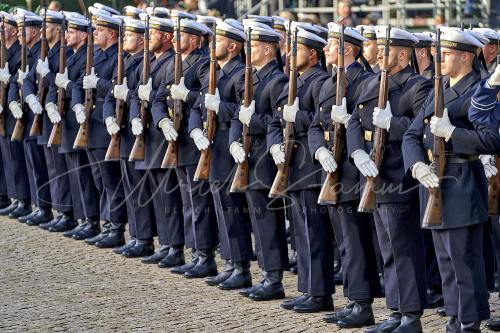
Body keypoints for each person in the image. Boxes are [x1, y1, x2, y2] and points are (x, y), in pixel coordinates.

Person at [403, 26, 498, 333]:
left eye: (445, 54)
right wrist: (417, 165)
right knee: (445, 258)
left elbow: (492, 139)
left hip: (461, 180)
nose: (439, 59)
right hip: (432, 180)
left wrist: (453, 133)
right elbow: (412, 134)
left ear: (465, 57)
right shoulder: (438, 86)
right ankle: (455, 316)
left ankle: (470, 321)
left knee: (464, 259)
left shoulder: (480, 90)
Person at [346, 26, 432, 332]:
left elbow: (420, 127)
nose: (380, 54)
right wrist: (357, 152)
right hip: (372, 173)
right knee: (387, 247)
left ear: (404, 53)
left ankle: (411, 316)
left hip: (398, 174)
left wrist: (392, 124)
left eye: (387, 49)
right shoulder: (371, 82)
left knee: (404, 248)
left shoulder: (417, 85)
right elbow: (354, 120)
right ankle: (395, 311)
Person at [308, 23, 381, 327]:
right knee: (344, 241)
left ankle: (363, 303)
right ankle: (352, 299)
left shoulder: (364, 81)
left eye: (330, 45)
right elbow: (314, 125)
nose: (324, 49)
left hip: (351, 171)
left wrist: (349, 119)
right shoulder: (328, 83)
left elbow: (367, 126)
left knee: (355, 240)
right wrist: (319, 151)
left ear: (347, 49)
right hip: (330, 168)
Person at [228, 20, 289, 301]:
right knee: (256, 217)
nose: (247, 49)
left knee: (267, 219)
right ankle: (265, 272)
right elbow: (236, 116)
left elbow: (277, 121)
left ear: (267, 49)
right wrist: (233, 142)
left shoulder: (277, 80)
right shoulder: (248, 77)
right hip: (248, 156)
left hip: (265, 155)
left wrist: (251, 121)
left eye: (252, 45)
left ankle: (274, 277)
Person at [72, 11, 128, 249]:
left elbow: (118, 87)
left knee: (110, 179)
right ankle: (107, 223)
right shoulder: (92, 55)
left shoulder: (119, 57)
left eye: (100, 30)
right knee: (99, 179)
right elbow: (77, 83)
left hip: (107, 126)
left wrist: (98, 84)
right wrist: (76, 104)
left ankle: (116, 228)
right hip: (89, 123)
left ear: (112, 34)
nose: (94, 33)